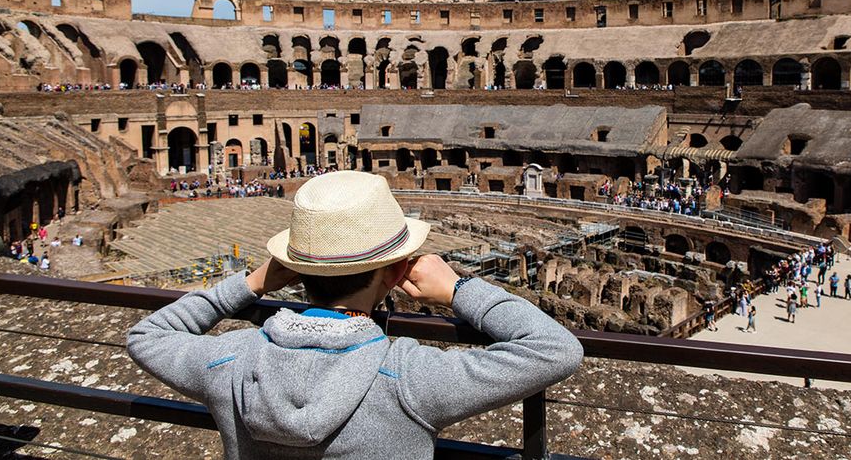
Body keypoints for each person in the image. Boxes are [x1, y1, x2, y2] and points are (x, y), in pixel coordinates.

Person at [128, 172, 583, 459]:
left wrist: (249, 284)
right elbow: (555, 349)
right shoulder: (409, 377)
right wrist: (459, 290)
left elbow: (148, 335)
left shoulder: (230, 362)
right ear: (392, 273)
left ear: (295, 269)